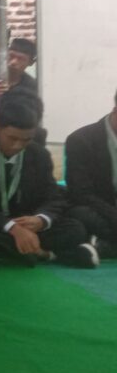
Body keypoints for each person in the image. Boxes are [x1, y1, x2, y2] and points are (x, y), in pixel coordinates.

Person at [0, 98, 98, 268]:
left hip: (24, 220)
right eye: (12, 138)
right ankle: (44, 253)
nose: (17, 146)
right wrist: (11, 227)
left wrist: (41, 219)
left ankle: (14, 252)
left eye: (26, 140)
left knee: (75, 228)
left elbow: (53, 196)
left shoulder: (39, 154)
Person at [64, 89, 117, 257]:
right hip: (99, 209)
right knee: (79, 215)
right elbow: (81, 193)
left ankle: (104, 246)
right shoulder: (80, 140)